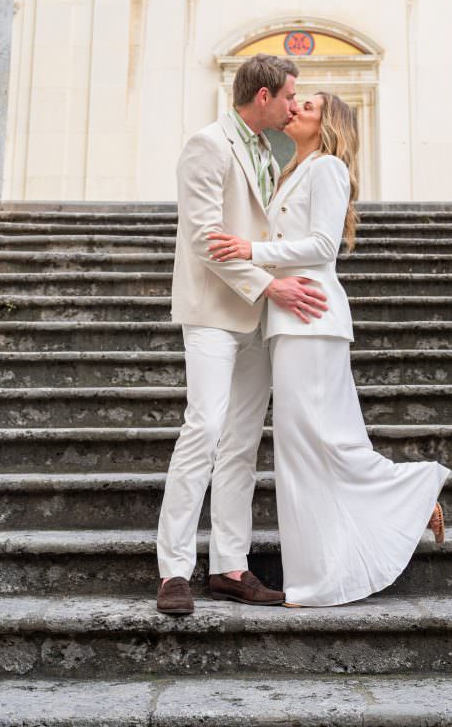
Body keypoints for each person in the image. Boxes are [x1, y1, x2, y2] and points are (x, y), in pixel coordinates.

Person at [208, 92, 450, 607]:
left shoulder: (328, 169)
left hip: (312, 317)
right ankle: (317, 573)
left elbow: (323, 246)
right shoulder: (292, 171)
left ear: (329, 124)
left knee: (322, 439)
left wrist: (252, 250)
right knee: (300, 449)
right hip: (288, 319)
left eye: (309, 107)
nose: (295, 109)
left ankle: (411, 493)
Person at [156, 54, 329, 615]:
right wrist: (269, 285)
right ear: (263, 96)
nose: (294, 106)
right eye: (290, 96)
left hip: (258, 319)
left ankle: (230, 566)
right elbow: (205, 237)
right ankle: (174, 571)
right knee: (203, 428)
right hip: (213, 311)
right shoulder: (207, 144)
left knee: (241, 442)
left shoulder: (268, 153)